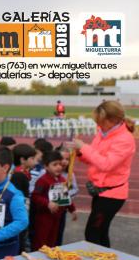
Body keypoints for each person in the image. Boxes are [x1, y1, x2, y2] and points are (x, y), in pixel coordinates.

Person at [72, 100, 136, 247]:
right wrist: (80, 152)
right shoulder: (103, 133)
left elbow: (106, 164)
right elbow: (93, 159)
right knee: (100, 232)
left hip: (112, 194)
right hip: (100, 191)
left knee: (92, 233)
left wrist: (85, 148)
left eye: (101, 121)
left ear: (113, 120)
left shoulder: (124, 139)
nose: (98, 124)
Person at [31, 151, 77, 250]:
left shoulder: (62, 180)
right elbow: (35, 196)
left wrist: (72, 209)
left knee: (52, 241)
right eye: (54, 164)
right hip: (44, 218)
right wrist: (47, 203)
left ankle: (49, 259)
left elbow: (66, 196)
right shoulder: (42, 180)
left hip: (57, 218)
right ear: (46, 166)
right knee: (41, 242)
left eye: (60, 164)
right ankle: (37, 259)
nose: (59, 167)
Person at [10, 143, 37, 253]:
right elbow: (19, 197)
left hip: (22, 210)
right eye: (32, 158)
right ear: (22, 160)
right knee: (20, 240)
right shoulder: (18, 175)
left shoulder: (23, 174)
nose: (35, 161)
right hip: (20, 213)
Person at [56, 146, 79, 246]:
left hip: (62, 209)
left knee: (59, 233)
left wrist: (64, 195)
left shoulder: (70, 174)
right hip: (48, 209)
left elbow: (75, 189)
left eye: (67, 159)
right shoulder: (47, 172)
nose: (65, 162)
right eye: (62, 159)